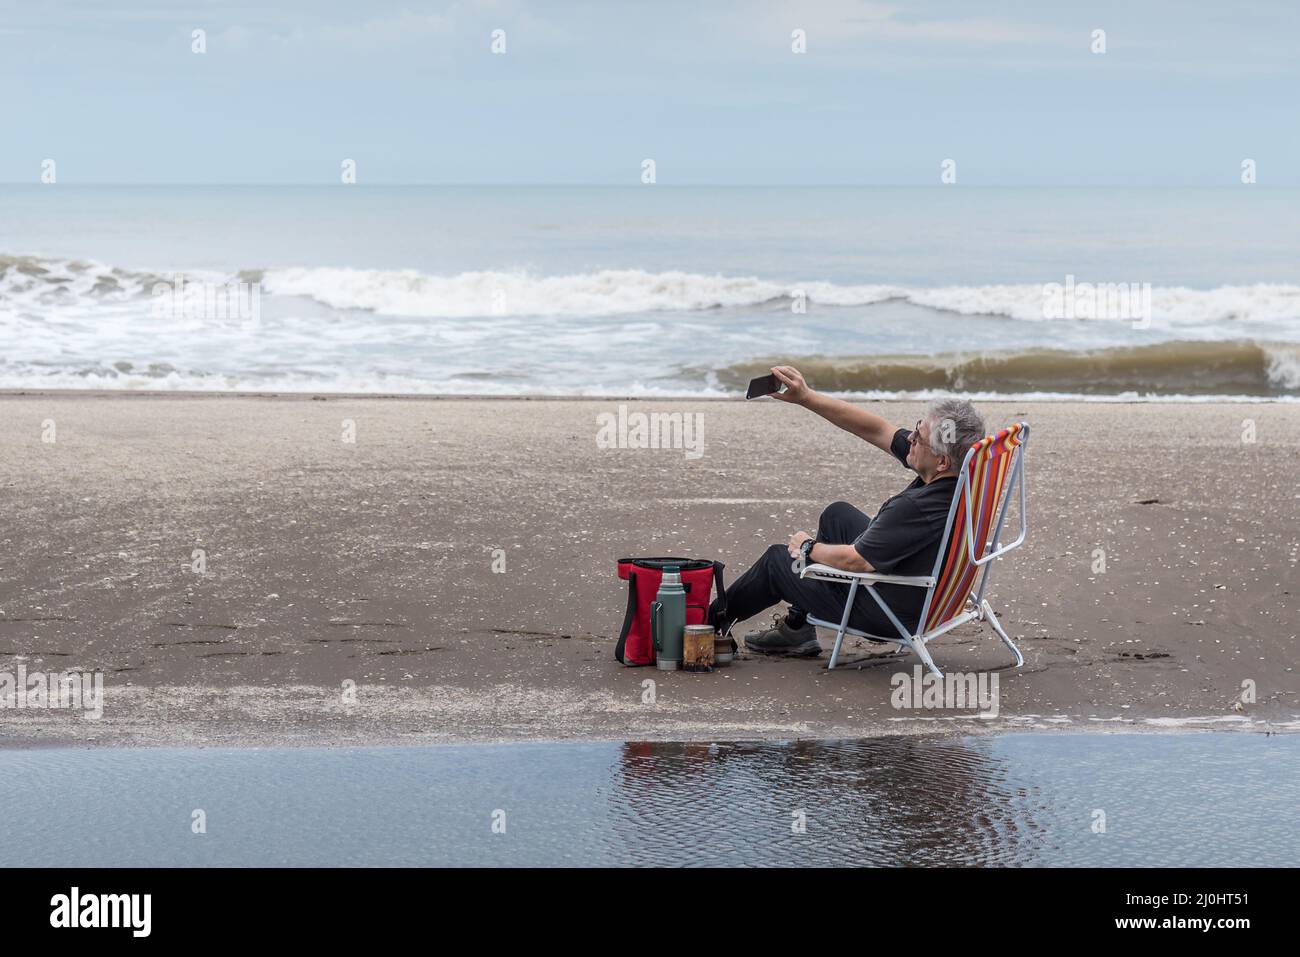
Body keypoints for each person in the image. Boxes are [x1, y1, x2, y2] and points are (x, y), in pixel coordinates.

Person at [709, 366, 987, 656]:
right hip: (925, 590)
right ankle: (797, 629)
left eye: (919, 436)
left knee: (778, 561)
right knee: (837, 515)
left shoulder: (915, 507)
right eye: (916, 428)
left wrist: (807, 548)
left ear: (942, 461)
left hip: (888, 613)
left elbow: (858, 562)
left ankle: (707, 623)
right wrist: (806, 397)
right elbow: (878, 429)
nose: (911, 438)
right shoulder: (967, 473)